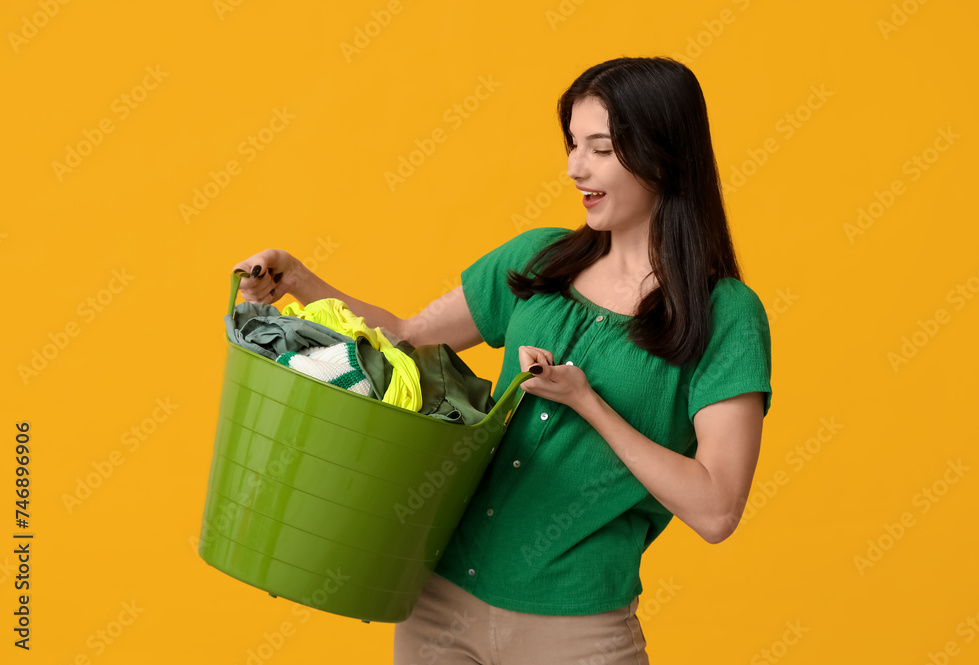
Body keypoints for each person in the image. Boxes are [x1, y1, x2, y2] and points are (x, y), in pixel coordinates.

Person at [233, 56, 773, 664]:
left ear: (663, 152)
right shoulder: (540, 258)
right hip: (437, 602)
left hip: (576, 631)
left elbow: (716, 507)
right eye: (573, 144)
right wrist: (299, 280)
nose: (575, 168)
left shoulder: (724, 313)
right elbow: (406, 337)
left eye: (600, 148)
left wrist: (588, 402)